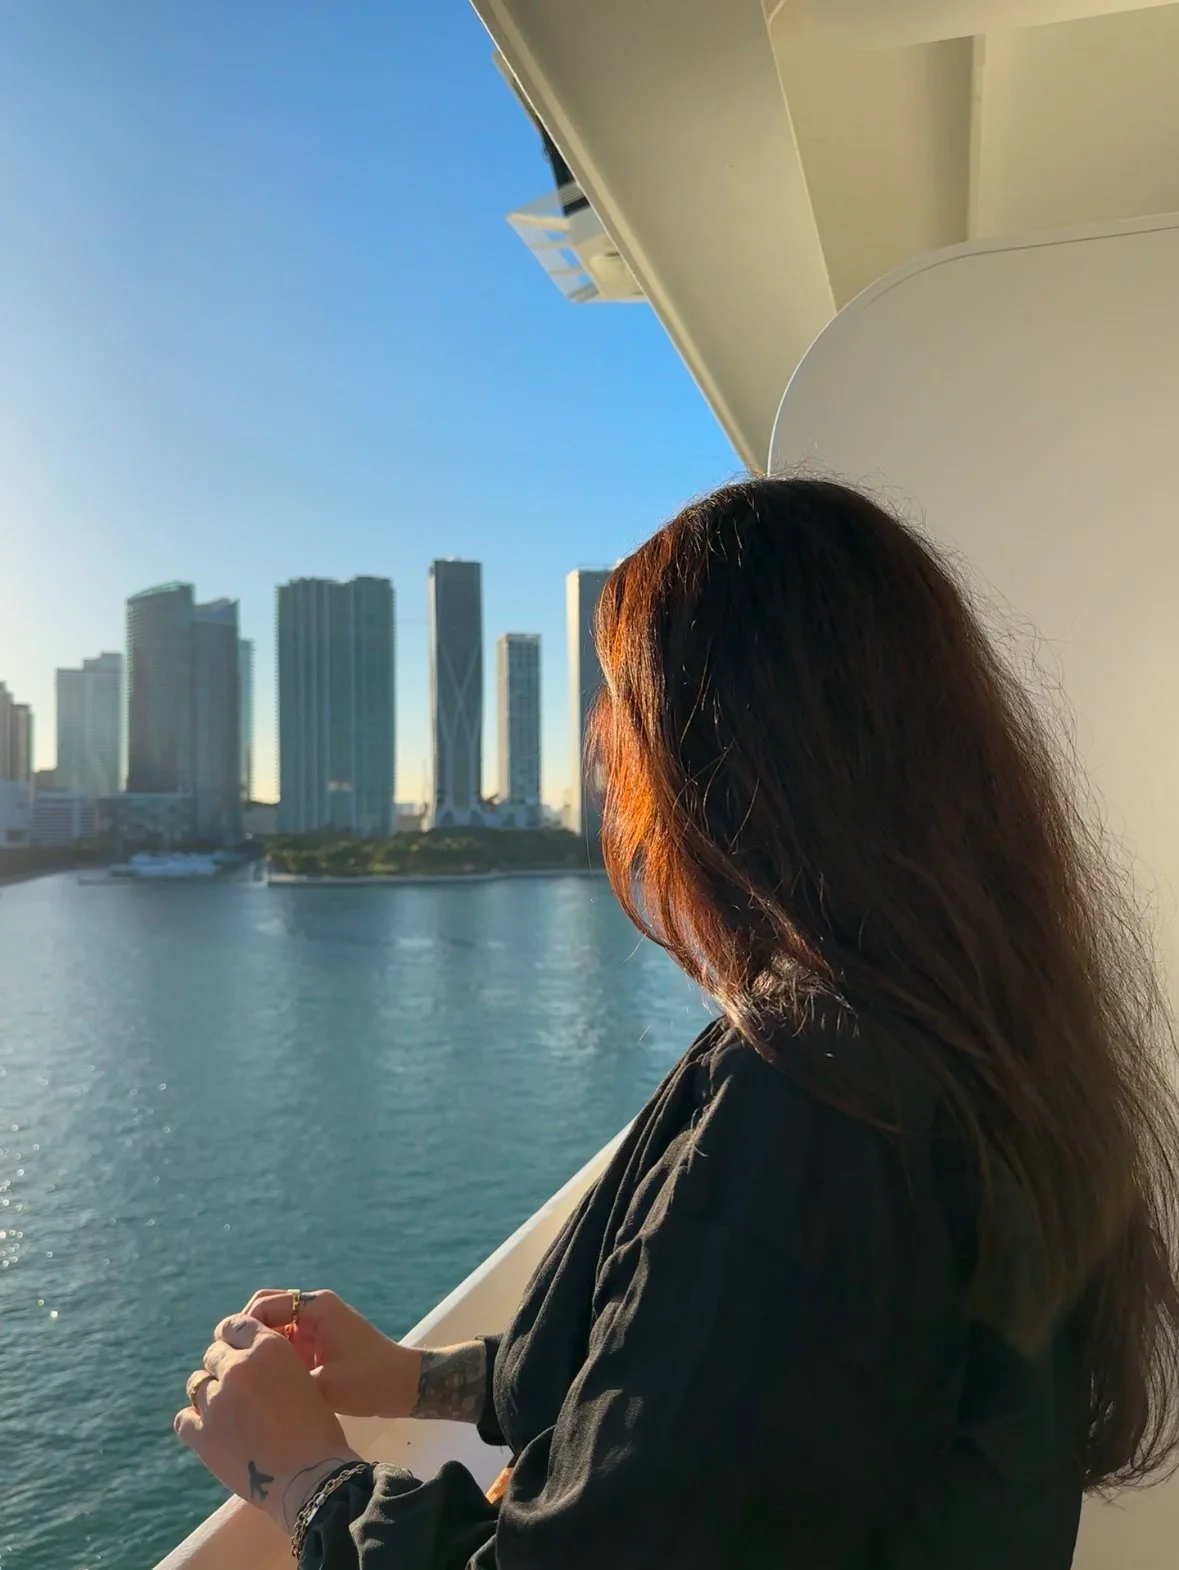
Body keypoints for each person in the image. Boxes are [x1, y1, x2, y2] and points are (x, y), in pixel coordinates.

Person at [176, 478, 1179, 1567]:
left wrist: (306, 1479)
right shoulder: (967, 1028)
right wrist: (412, 1378)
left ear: (714, 763)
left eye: (622, 712)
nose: (607, 755)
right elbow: (693, 1386)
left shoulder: (814, 1100)